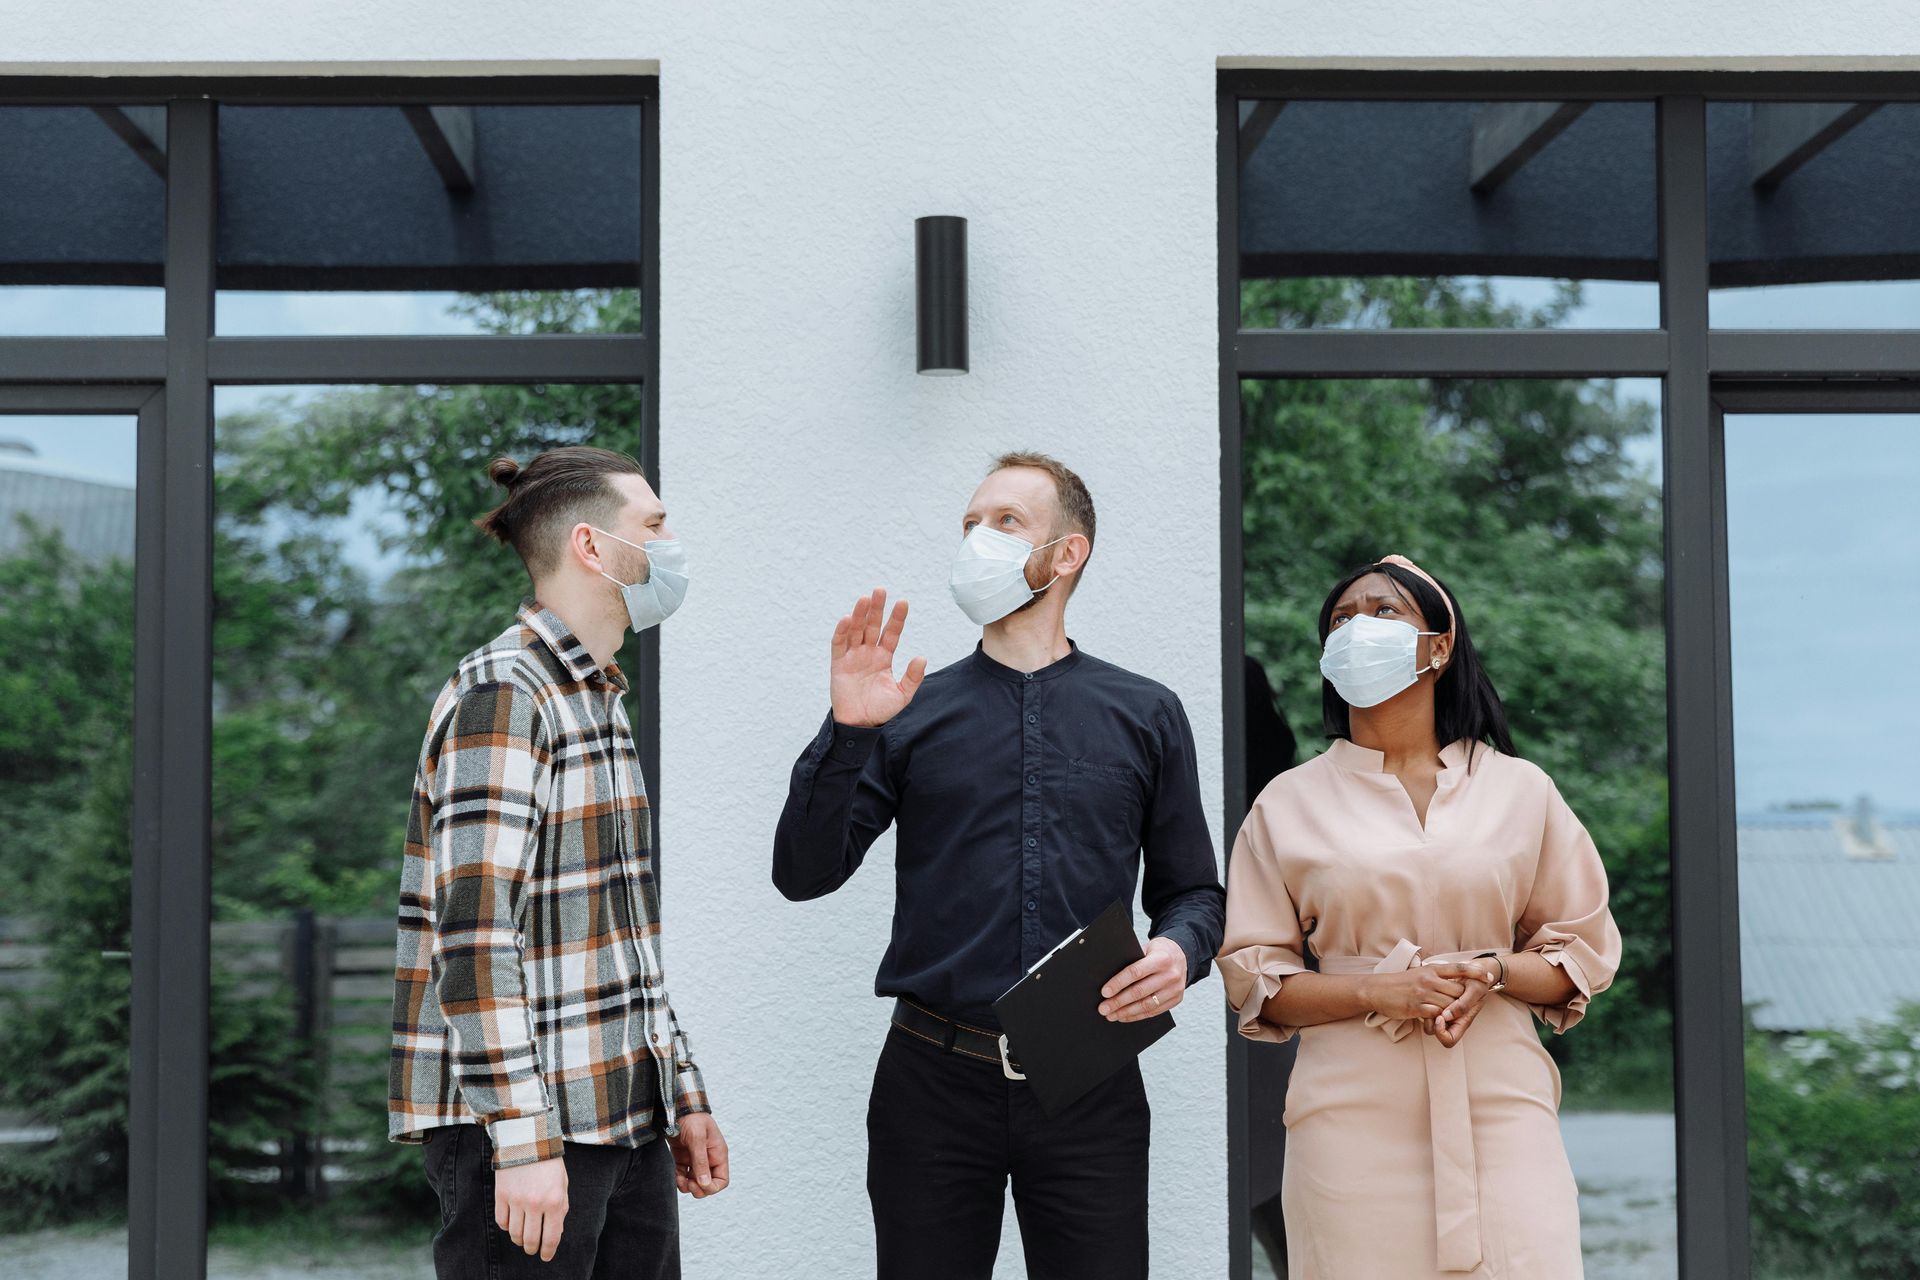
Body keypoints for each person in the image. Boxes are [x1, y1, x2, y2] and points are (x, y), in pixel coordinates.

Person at [772, 451, 1226, 1280]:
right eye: (970, 524)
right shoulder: (907, 712)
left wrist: (1180, 951)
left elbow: (1193, 891)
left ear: (1067, 553)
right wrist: (848, 733)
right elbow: (804, 874)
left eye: (1006, 522)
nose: (978, 537)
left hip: (1089, 1074)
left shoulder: (1147, 713)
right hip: (930, 1080)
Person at [1217, 555, 1620, 1279]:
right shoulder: (1286, 802)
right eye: (1341, 619)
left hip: (1503, 1107)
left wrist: (1492, 971)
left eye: (1384, 611)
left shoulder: (1522, 790)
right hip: (1347, 1119)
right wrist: (1376, 990)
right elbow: (1256, 981)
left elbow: (1578, 957)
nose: (1357, 628)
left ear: (1439, 646)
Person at [388, 446, 729, 1279]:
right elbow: (473, 936)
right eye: (654, 525)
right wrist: (520, 1138)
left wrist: (681, 1093)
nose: (671, 543)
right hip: (530, 1137)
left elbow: (619, 935)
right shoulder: (507, 692)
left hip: (624, 1119)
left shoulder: (596, 696)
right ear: (591, 545)